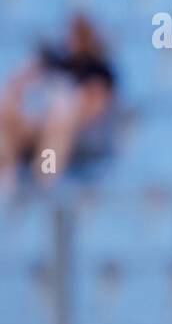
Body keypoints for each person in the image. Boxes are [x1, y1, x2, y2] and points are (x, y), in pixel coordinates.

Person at [0, 13, 116, 191]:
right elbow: (19, 81)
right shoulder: (56, 60)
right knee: (6, 111)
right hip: (38, 121)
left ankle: (45, 179)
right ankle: (6, 176)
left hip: (72, 131)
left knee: (61, 115)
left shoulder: (98, 70)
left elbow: (95, 109)